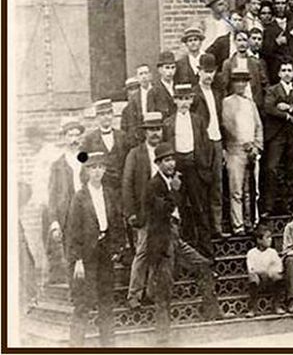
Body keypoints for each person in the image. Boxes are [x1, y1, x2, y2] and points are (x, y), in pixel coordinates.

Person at [146, 143, 222, 343]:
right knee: (164, 289)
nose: (171, 164)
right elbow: (163, 211)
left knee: (203, 266)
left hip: (176, 239)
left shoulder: (173, 182)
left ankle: (211, 312)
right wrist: (174, 190)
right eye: (166, 161)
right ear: (158, 164)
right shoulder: (154, 185)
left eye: (172, 159)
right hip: (162, 243)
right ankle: (163, 338)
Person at [66, 152, 124, 346]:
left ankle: (108, 345)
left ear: (105, 169)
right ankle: (76, 345)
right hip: (86, 256)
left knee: (106, 301)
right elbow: (73, 231)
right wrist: (78, 260)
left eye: (100, 167)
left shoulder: (109, 194)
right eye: (92, 167)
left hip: (105, 253)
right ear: (87, 171)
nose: (97, 171)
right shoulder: (79, 197)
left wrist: (117, 248)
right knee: (83, 303)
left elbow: (117, 222)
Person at [163, 84, 215, 253]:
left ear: (192, 100)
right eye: (180, 99)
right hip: (177, 170)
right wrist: (172, 173)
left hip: (194, 167)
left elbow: (206, 145)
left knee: (199, 208)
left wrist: (203, 166)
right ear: (175, 100)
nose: (184, 103)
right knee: (179, 209)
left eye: (187, 99)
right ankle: (184, 250)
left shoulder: (198, 120)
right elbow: (167, 148)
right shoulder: (169, 123)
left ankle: (206, 252)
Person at [122, 112, 164, 309]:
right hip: (143, 213)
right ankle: (134, 295)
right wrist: (131, 212)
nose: (155, 133)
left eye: (158, 129)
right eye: (151, 130)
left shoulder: (166, 152)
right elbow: (127, 184)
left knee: (160, 252)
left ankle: (152, 292)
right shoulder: (135, 154)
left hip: (163, 213)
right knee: (142, 252)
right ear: (145, 132)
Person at [222, 68, 264, 235]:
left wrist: (256, 146)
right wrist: (241, 142)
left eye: (243, 81)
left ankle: (249, 223)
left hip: (251, 151)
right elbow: (227, 125)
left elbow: (258, 126)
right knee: (236, 190)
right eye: (237, 81)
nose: (240, 84)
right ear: (233, 84)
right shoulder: (227, 102)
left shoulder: (250, 103)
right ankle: (238, 225)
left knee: (249, 190)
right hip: (235, 150)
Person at [262, 58, 293, 214]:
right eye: (284, 70)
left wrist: (289, 108)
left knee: (292, 170)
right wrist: (287, 116)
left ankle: (290, 205)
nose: (287, 74)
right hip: (277, 135)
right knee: (271, 169)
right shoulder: (272, 90)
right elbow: (269, 108)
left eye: (289, 70)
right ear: (279, 73)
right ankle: (269, 206)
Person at [48, 118, 86, 283]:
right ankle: (76, 295)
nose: (74, 140)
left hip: (87, 210)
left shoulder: (87, 159)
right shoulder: (57, 165)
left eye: (77, 135)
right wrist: (55, 222)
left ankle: (91, 294)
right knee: (71, 254)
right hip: (68, 214)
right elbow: (53, 195)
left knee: (90, 252)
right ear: (64, 138)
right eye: (70, 135)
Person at [191, 53, 225, 235]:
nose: (209, 76)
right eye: (205, 72)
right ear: (199, 71)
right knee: (201, 185)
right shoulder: (194, 95)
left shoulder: (217, 93)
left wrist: (223, 145)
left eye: (212, 72)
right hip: (202, 145)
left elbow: (221, 121)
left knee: (217, 186)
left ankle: (217, 227)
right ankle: (204, 229)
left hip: (217, 142)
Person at [82, 98, 130, 203]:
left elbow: (129, 163)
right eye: (102, 114)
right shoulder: (89, 139)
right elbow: (83, 164)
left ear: (113, 115)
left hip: (121, 188)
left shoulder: (123, 136)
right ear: (97, 117)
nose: (106, 117)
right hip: (101, 189)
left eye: (108, 113)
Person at [262, 0, 293, 86]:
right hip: (276, 71)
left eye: (283, 3)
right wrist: (276, 43)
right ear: (273, 5)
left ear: (287, 4)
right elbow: (265, 51)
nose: (280, 6)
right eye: (277, 3)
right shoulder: (268, 28)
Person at [219, 29, 268, 108]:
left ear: (248, 42)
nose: (242, 43)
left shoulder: (256, 63)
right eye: (239, 40)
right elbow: (224, 87)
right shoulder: (228, 64)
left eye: (244, 40)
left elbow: (265, 84)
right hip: (235, 106)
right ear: (234, 42)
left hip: (254, 105)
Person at [244, 224, 285, 317]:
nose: (270, 240)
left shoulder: (272, 252)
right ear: (259, 240)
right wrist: (264, 271)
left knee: (277, 276)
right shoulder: (251, 253)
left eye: (270, 237)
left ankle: (277, 305)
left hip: (270, 279)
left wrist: (268, 272)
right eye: (267, 238)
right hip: (258, 280)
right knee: (252, 278)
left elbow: (279, 267)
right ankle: (253, 308)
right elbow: (251, 269)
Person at [148, 51, 178, 119]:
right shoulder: (153, 92)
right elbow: (152, 117)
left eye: (173, 67)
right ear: (160, 70)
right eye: (167, 68)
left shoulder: (178, 88)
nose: (170, 71)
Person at [120, 76, 143, 147]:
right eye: (130, 89)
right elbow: (123, 130)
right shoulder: (126, 110)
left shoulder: (145, 105)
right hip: (132, 144)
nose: (133, 92)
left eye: (136, 88)